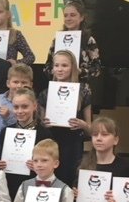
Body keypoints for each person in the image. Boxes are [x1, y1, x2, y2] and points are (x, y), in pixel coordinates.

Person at [38, 50, 92, 188]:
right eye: (56, 65)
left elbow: (90, 130)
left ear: (72, 67)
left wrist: (83, 125)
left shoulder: (83, 92)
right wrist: (44, 123)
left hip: (73, 145)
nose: (60, 69)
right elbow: (40, 126)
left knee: (69, 181)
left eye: (64, 65)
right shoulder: (45, 93)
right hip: (51, 144)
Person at [43, 0, 100, 85]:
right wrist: (56, 70)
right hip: (59, 87)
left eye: (72, 15)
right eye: (65, 15)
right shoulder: (57, 39)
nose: (68, 18)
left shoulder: (88, 39)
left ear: (81, 17)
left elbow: (96, 69)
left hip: (80, 88)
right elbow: (47, 66)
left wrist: (80, 71)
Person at [0, 0, 35, 65]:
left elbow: (30, 57)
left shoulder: (15, 34)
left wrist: (16, 62)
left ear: (8, 14)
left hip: (8, 71)